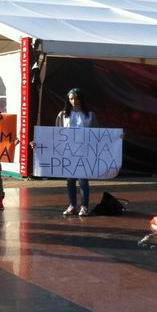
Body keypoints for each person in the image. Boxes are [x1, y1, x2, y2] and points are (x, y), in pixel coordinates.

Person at [55, 88, 99, 216]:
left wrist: (117, 137)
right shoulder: (62, 115)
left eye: (76, 98)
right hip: (68, 152)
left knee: (83, 180)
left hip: (84, 152)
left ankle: (84, 206)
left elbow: (99, 134)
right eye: (71, 99)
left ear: (81, 99)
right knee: (70, 180)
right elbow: (55, 133)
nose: (74, 101)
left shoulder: (90, 115)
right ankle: (72, 205)